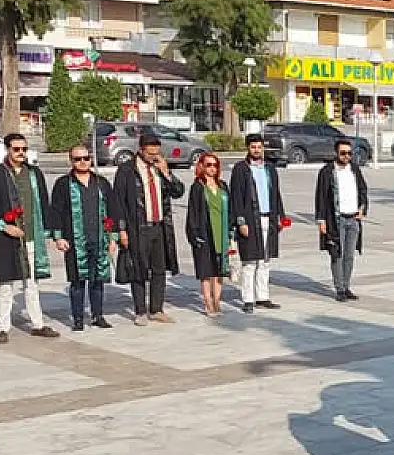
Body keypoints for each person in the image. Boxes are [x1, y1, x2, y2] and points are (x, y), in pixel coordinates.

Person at [0, 133, 64, 342]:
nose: (21, 153)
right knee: (6, 284)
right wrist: (3, 226)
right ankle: (2, 327)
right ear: (8, 149)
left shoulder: (34, 173)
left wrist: (49, 231)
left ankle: (38, 323)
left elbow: (44, 202)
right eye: (17, 149)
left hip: (31, 235)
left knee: (32, 283)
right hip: (6, 237)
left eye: (24, 149)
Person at [113, 132, 185, 326]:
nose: (154, 156)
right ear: (141, 149)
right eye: (150, 153)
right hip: (138, 227)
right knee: (138, 270)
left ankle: (157, 309)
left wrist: (167, 173)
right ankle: (140, 311)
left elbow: (178, 192)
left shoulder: (160, 168)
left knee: (159, 269)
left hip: (159, 226)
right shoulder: (127, 170)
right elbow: (118, 202)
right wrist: (121, 230)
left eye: (157, 152)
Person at [51, 144, 120, 331]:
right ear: (71, 161)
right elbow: (56, 212)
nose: (82, 162)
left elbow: (113, 211)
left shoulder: (102, 183)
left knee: (98, 280)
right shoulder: (63, 184)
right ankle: (78, 319)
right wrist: (58, 237)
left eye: (86, 158)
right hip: (74, 240)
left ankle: (98, 316)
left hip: (99, 239)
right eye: (77, 159)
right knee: (77, 281)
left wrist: (113, 238)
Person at [230, 133, 287, 313]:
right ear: (248, 148)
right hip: (250, 219)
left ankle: (263, 296)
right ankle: (248, 299)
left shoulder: (269, 168)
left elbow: (276, 194)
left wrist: (280, 217)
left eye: (259, 147)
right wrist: (241, 222)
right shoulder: (241, 169)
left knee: (265, 260)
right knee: (250, 262)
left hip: (268, 218)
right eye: (253, 147)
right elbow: (236, 197)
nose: (256, 150)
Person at [315, 139, 368, 302]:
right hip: (335, 220)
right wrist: (321, 220)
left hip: (353, 219)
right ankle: (339, 289)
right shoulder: (327, 172)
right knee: (337, 254)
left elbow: (363, 189)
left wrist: (362, 207)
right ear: (336, 153)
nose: (346, 156)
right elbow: (321, 197)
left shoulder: (354, 170)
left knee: (349, 256)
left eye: (349, 153)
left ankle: (346, 286)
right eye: (343, 153)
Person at [185, 152, 232, 316]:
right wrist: (194, 233)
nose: (212, 168)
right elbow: (193, 212)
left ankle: (217, 300)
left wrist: (231, 230)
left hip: (221, 230)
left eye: (215, 165)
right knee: (206, 269)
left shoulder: (223, 186)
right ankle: (208, 301)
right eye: (208, 165)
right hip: (205, 231)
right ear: (202, 167)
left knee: (220, 269)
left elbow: (230, 209)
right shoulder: (197, 187)